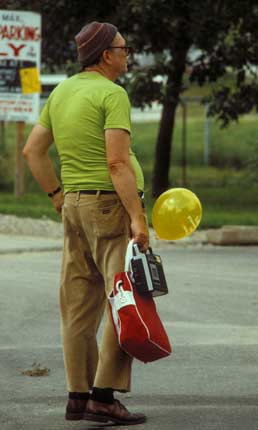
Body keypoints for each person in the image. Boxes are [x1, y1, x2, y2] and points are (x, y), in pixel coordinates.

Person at [23, 22, 149, 425]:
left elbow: (33, 151)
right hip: (110, 207)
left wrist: (58, 197)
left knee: (77, 307)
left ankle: (77, 396)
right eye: (123, 48)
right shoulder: (112, 94)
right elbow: (116, 162)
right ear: (106, 55)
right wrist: (138, 217)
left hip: (74, 207)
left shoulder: (61, 91)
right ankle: (103, 396)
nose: (128, 54)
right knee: (124, 301)